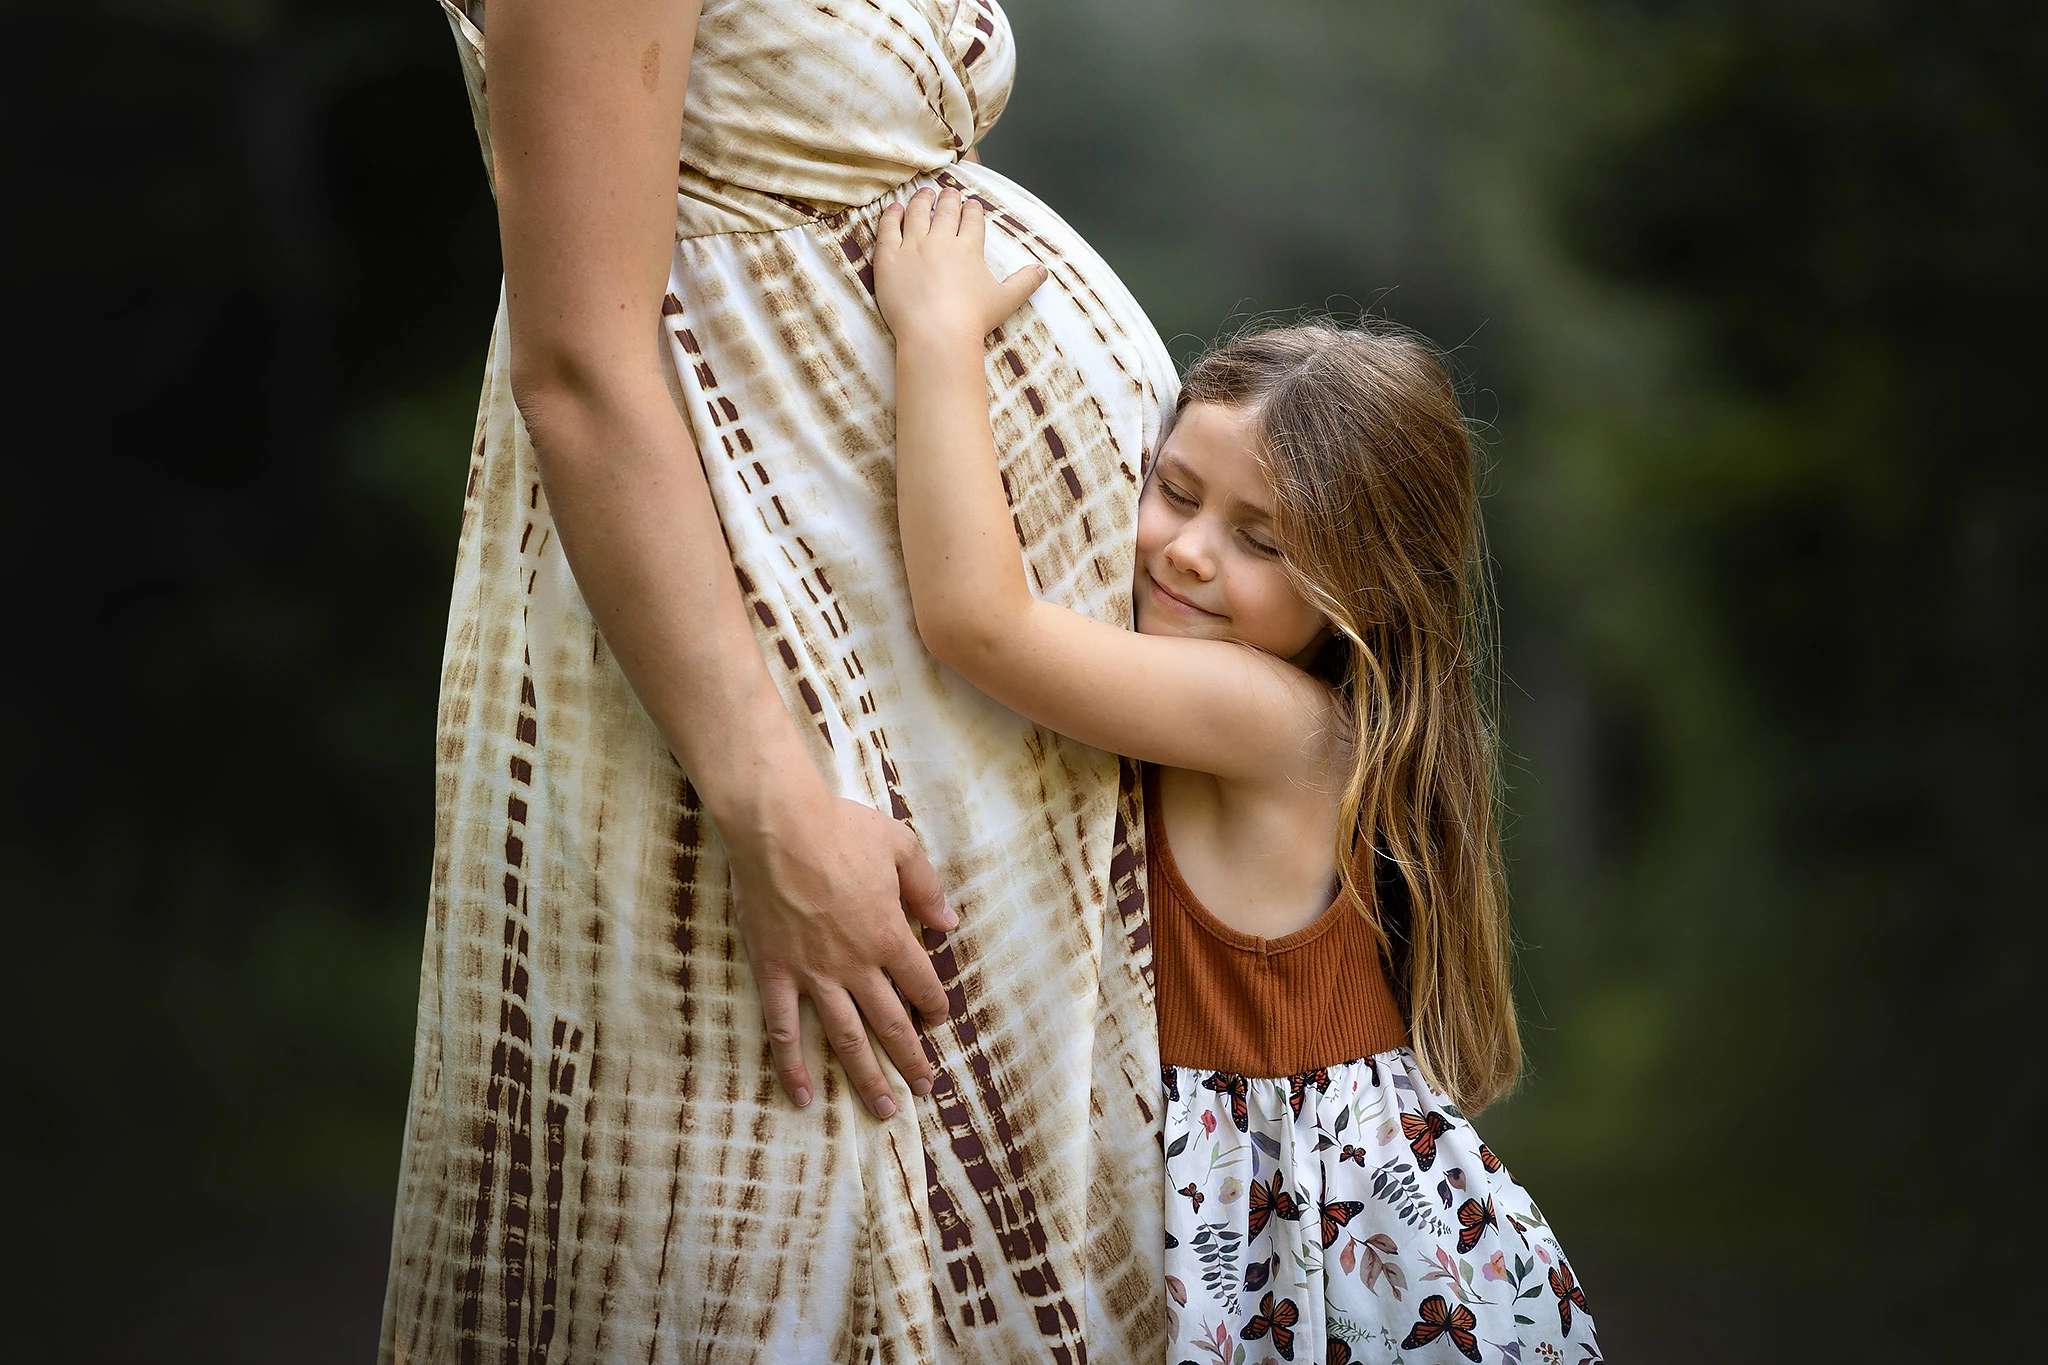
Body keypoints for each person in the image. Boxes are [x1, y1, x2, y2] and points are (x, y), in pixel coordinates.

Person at [384, 2, 1175, 1360]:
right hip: (753, 679)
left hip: (940, 695)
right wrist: (773, 808)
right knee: (771, 1227)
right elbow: (577, 370)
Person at [876, 187, 1603, 1364]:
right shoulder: (1241, 704)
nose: (1187, 550)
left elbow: (978, 623)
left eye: (1262, 541)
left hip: (1327, 1251)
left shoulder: (1275, 718)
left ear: (1364, 590)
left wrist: (933, 334)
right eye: (1174, 491)